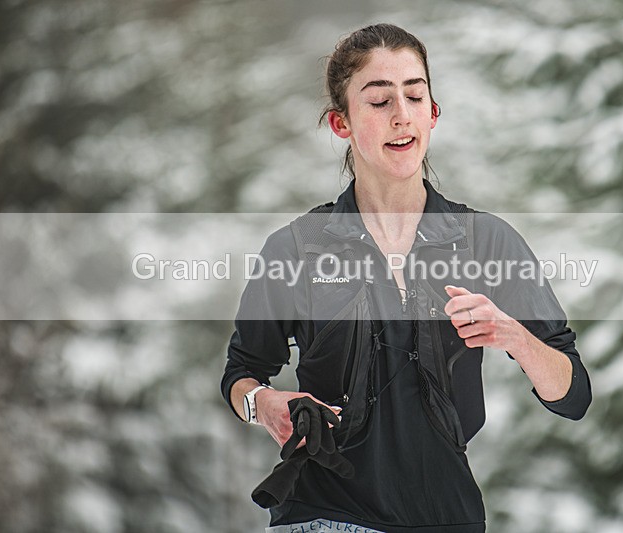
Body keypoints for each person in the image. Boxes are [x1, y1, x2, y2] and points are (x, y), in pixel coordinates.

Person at [221, 23, 591, 533]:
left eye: (415, 95)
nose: (402, 115)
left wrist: (512, 334)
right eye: (379, 101)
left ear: (433, 113)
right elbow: (241, 372)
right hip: (323, 515)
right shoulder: (296, 248)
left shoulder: (486, 241)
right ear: (341, 123)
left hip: (449, 517)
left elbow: (572, 395)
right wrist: (260, 402)